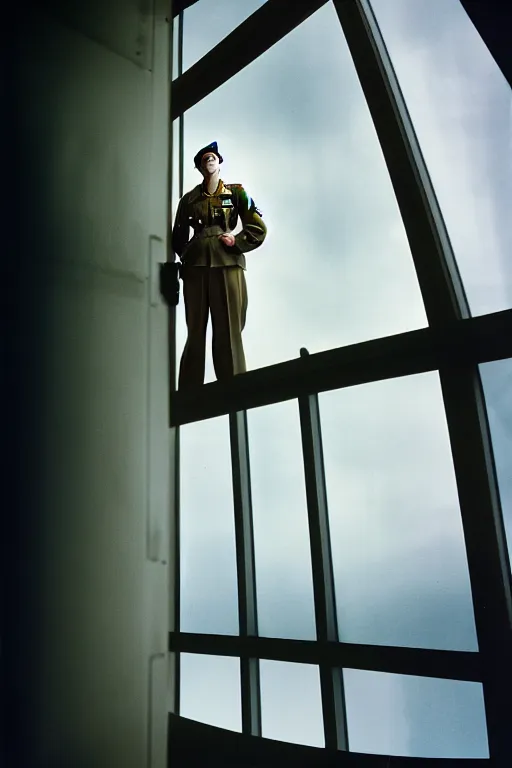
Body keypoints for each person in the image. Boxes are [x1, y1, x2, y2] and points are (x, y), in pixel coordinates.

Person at [171, 142, 267, 389]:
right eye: (204, 160)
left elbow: (257, 228)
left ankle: (233, 388)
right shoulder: (189, 200)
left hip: (227, 262)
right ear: (199, 167)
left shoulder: (235, 194)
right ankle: (189, 393)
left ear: (219, 162)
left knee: (228, 331)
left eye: (212, 157)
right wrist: (190, 254)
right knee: (195, 333)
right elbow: (178, 237)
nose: (209, 161)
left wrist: (237, 241)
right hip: (196, 267)